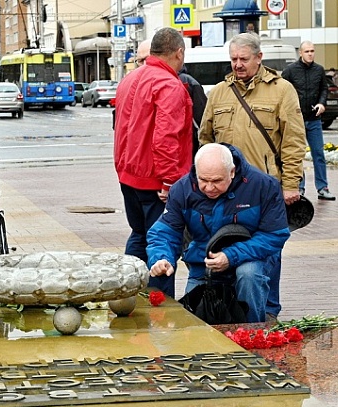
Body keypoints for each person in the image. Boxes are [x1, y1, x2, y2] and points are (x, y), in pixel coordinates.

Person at [199, 32, 306, 319]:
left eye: (243, 59)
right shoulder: (220, 92)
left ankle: (268, 312)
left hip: (267, 189)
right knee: (228, 244)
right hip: (227, 189)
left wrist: (291, 183)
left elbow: (295, 140)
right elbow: (205, 138)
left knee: (268, 249)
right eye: (233, 59)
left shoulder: (282, 90)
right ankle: (240, 308)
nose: (237, 64)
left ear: (259, 58)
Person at [147, 143, 290, 322]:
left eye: (216, 181)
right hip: (204, 264)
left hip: (251, 258)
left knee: (248, 274)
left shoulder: (264, 185)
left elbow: (274, 235)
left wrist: (231, 256)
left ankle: (252, 330)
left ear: (232, 172)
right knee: (194, 321)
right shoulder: (182, 189)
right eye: (203, 180)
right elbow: (165, 232)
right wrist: (162, 258)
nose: (208, 188)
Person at [113, 27, 193, 298]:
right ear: (179, 53)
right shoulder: (169, 85)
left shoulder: (131, 79)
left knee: (139, 235)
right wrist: (170, 181)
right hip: (155, 180)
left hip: (129, 175)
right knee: (163, 242)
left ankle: (127, 294)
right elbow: (166, 138)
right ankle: (159, 304)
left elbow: (122, 128)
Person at [282, 41, 336, 201]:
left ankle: (323, 188)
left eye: (312, 51)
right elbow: (281, 91)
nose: (310, 54)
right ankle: (299, 188)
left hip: (314, 119)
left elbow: (324, 89)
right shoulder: (290, 71)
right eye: (307, 51)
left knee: (318, 153)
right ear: (300, 52)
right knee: (297, 155)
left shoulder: (319, 70)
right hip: (295, 120)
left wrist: (322, 103)